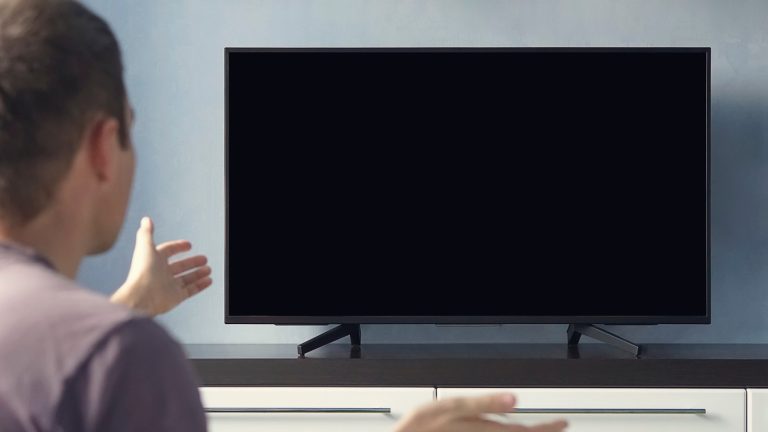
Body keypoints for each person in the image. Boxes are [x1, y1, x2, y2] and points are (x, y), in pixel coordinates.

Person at [0, 1, 568, 431]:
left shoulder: (91, 350)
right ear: (103, 147)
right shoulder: (125, 360)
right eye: (131, 126)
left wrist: (128, 307)